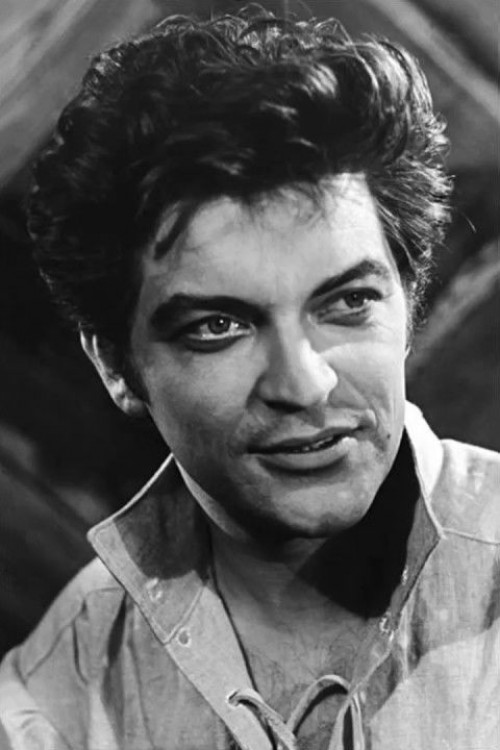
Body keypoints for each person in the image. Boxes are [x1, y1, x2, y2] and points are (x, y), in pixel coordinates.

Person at [0, 9, 498, 750]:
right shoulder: (57, 692)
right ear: (114, 366)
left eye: (348, 302)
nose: (303, 384)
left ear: (408, 300)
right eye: (218, 327)